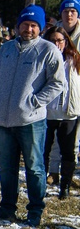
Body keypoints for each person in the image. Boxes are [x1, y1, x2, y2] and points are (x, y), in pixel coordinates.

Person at [0, 5, 65, 227]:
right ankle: (7, 207)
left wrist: (35, 101)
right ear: (18, 25)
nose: (28, 29)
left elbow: (58, 83)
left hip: (31, 120)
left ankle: (35, 210)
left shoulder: (48, 50)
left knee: (34, 167)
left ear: (40, 28)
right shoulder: (6, 49)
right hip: (3, 119)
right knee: (7, 167)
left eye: (33, 26)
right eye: (25, 24)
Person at [42, 25, 80, 199]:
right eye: (53, 40)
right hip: (46, 112)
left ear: (66, 42)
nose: (56, 44)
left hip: (68, 111)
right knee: (43, 149)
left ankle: (64, 187)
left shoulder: (75, 59)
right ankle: (41, 183)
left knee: (68, 151)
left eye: (60, 40)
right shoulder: (42, 58)